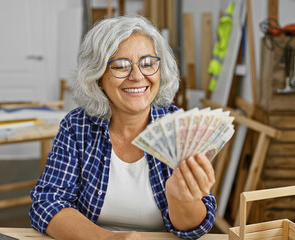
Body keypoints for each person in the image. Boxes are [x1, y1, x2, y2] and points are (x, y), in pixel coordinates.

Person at [29, 16, 216, 240]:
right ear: (97, 77)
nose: (137, 76)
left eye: (147, 63)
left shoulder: (179, 126)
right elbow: (47, 204)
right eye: (120, 66)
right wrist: (108, 238)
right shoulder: (77, 126)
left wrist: (182, 199)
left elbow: (197, 228)